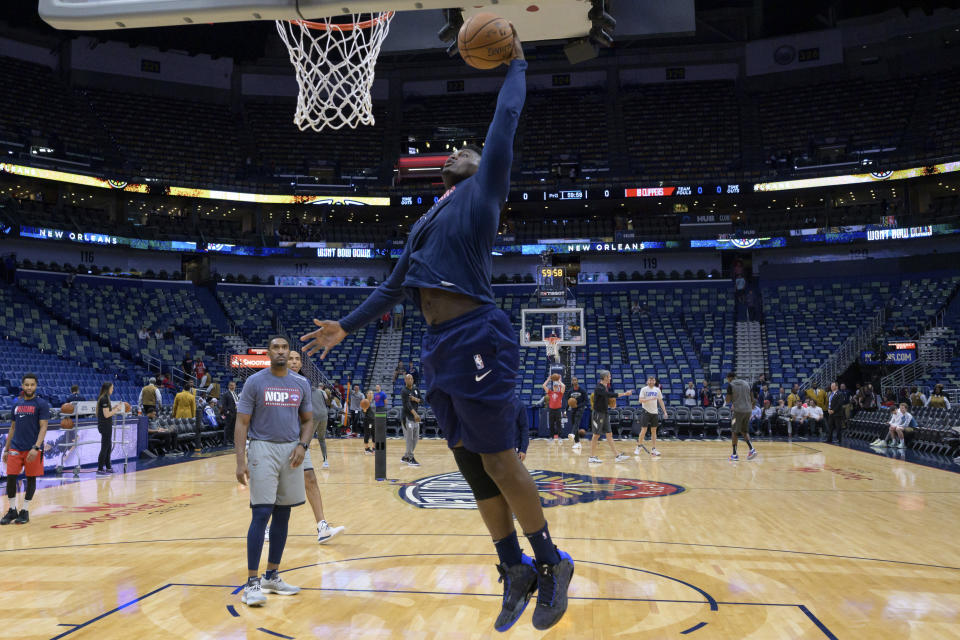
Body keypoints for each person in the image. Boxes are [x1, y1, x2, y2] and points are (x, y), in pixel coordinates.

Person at [300, 32, 574, 632]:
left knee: (500, 461)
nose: (457, 151)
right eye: (453, 152)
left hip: (478, 333)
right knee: (471, 467)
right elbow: (393, 286)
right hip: (438, 348)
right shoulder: (423, 223)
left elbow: (505, 117)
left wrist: (519, 64)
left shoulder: (483, 193)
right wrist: (344, 328)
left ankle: (552, 561)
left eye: (466, 150)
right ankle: (514, 567)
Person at [234, 336, 314, 607]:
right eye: (276, 348)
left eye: (285, 348)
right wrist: (239, 460)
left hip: (291, 450)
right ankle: (251, 582)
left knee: (283, 512)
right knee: (262, 512)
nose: (280, 352)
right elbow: (242, 422)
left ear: (289, 352)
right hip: (262, 448)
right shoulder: (254, 382)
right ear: (269, 353)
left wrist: (303, 445)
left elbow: (308, 421)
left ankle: (272, 575)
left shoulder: (301, 383)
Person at [264, 348, 345, 545]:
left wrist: (304, 441)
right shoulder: (272, 381)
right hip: (277, 440)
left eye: (297, 359)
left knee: (311, 479)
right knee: (275, 485)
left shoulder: (304, 384)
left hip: (298, 440)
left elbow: (306, 416)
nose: (293, 362)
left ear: (301, 363)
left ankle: (322, 527)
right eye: (290, 358)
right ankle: (265, 527)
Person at [1, 374, 49, 525]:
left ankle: (25, 510)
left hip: (32, 449)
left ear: (36, 386)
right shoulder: (16, 404)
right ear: (22, 385)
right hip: (15, 447)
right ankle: (12, 509)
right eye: (26, 385)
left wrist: (36, 447)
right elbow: (13, 428)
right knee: (11, 477)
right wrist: (6, 449)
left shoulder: (41, 404)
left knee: (30, 478)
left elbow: (44, 427)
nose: (29, 387)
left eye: (32, 385)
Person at [589, 369, 633, 464]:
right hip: (598, 414)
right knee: (596, 435)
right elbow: (609, 395)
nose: (610, 378)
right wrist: (624, 394)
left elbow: (606, 398)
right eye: (609, 376)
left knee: (609, 434)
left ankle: (617, 456)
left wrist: (610, 404)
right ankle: (591, 457)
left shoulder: (605, 387)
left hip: (605, 413)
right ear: (605, 377)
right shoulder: (599, 388)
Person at [725, 372, 757, 461]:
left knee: (734, 431)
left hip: (738, 411)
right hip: (748, 411)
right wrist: (751, 406)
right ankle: (752, 450)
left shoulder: (731, 385)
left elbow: (727, 400)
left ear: (729, 378)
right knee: (744, 430)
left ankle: (734, 455)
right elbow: (753, 399)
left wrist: (731, 400)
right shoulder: (746, 383)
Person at [96, 381, 125, 474]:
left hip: (107, 425)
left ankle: (108, 467)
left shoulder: (106, 398)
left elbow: (107, 412)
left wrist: (114, 407)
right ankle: (100, 468)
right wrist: (116, 409)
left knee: (108, 447)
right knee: (105, 447)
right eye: (112, 388)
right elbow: (106, 414)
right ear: (108, 389)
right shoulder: (104, 399)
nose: (113, 390)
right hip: (104, 426)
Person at [635, 375, 667, 457]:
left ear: (655, 381)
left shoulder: (657, 390)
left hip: (655, 413)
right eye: (649, 380)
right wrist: (650, 399)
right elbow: (640, 400)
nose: (651, 381)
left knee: (654, 431)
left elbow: (661, 401)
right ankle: (639, 446)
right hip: (646, 412)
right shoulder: (644, 389)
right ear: (647, 381)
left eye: (652, 380)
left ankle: (654, 449)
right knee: (644, 430)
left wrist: (665, 412)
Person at [400, 374, 421, 466]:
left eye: (411, 378)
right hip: (407, 417)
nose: (410, 380)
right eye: (408, 379)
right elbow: (407, 405)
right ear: (405, 380)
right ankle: (410, 458)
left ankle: (406, 457)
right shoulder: (404, 391)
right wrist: (416, 414)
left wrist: (415, 399)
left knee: (416, 438)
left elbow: (422, 400)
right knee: (409, 438)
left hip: (415, 418)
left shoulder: (416, 389)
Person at [564, 377, 588, 450]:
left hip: (580, 408)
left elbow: (586, 401)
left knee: (577, 421)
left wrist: (578, 405)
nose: (574, 381)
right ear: (572, 382)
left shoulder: (582, 390)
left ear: (577, 381)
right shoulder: (570, 391)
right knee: (574, 423)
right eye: (573, 380)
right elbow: (569, 402)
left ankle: (572, 434)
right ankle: (577, 443)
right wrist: (565, 410)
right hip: (573, 409)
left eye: (575, 380)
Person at [542, 374, 565, 442]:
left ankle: (560, 437)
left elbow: (563, 386)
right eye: (554, 386)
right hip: (551, 410)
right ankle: (551, 437)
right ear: (552, 387)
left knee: (558, 424)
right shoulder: (550, 392)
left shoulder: (560, 393)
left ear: (558, 387)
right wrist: (548, 379)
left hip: (558, 410)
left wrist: (559, 381)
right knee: (551, 424)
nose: (555, 387)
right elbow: (543, 385)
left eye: (556, 386)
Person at [312, 383, 329, 468]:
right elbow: (327, 398)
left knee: (306, 438)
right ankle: (325, 460)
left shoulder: (306, 391)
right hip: (324, 415)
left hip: (314, 416)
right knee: (322, 438)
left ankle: (304, 461)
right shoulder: (322, 391)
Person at [222, 381, 239, 445]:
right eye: (231, 385)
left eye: (233, 385)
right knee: (227, 427)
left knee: (233, 427)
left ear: (235, 386)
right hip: (229, 413)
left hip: (235, 413)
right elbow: (224, 404)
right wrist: (227, 412)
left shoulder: (235, 394)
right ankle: (226, 441)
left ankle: (232, 440)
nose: (232, 387)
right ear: (228, 386)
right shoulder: (226, 394)